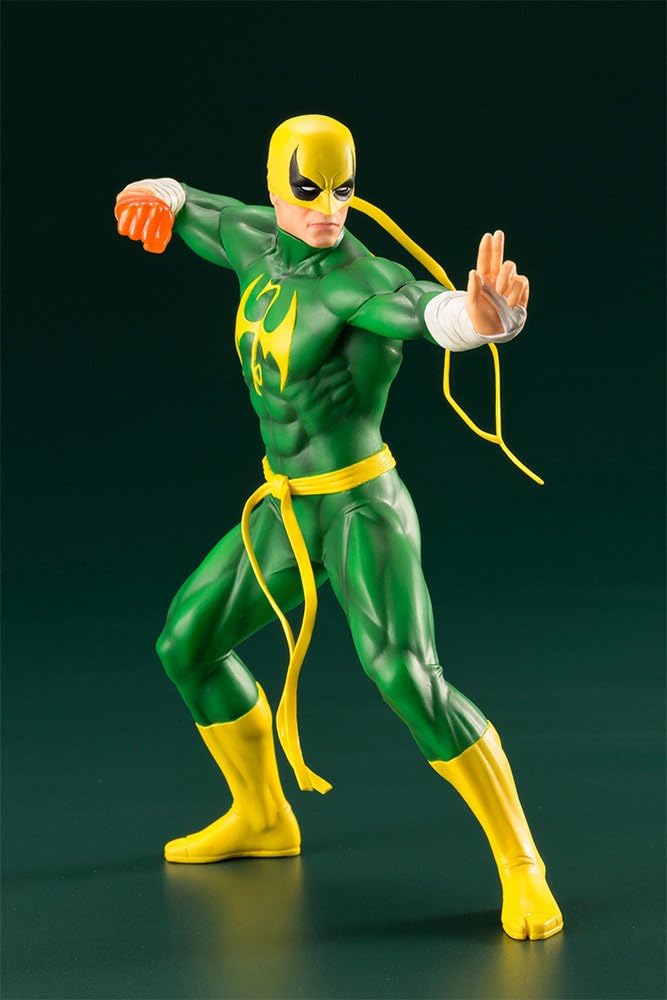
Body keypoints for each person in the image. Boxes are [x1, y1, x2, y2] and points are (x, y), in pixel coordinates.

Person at [115, 114, 563, 941]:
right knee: (187, 643)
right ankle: (262, 816)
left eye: (343, 190)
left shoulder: (358, 280)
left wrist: (482, 320)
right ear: (274, 186)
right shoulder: (254, 241)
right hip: (286, 504)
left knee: (404, 674)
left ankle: (521, 864)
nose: (328, 209)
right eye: (307, 190)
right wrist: (150, 192)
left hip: (360, 506)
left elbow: (423, 310)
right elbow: (191, 206)